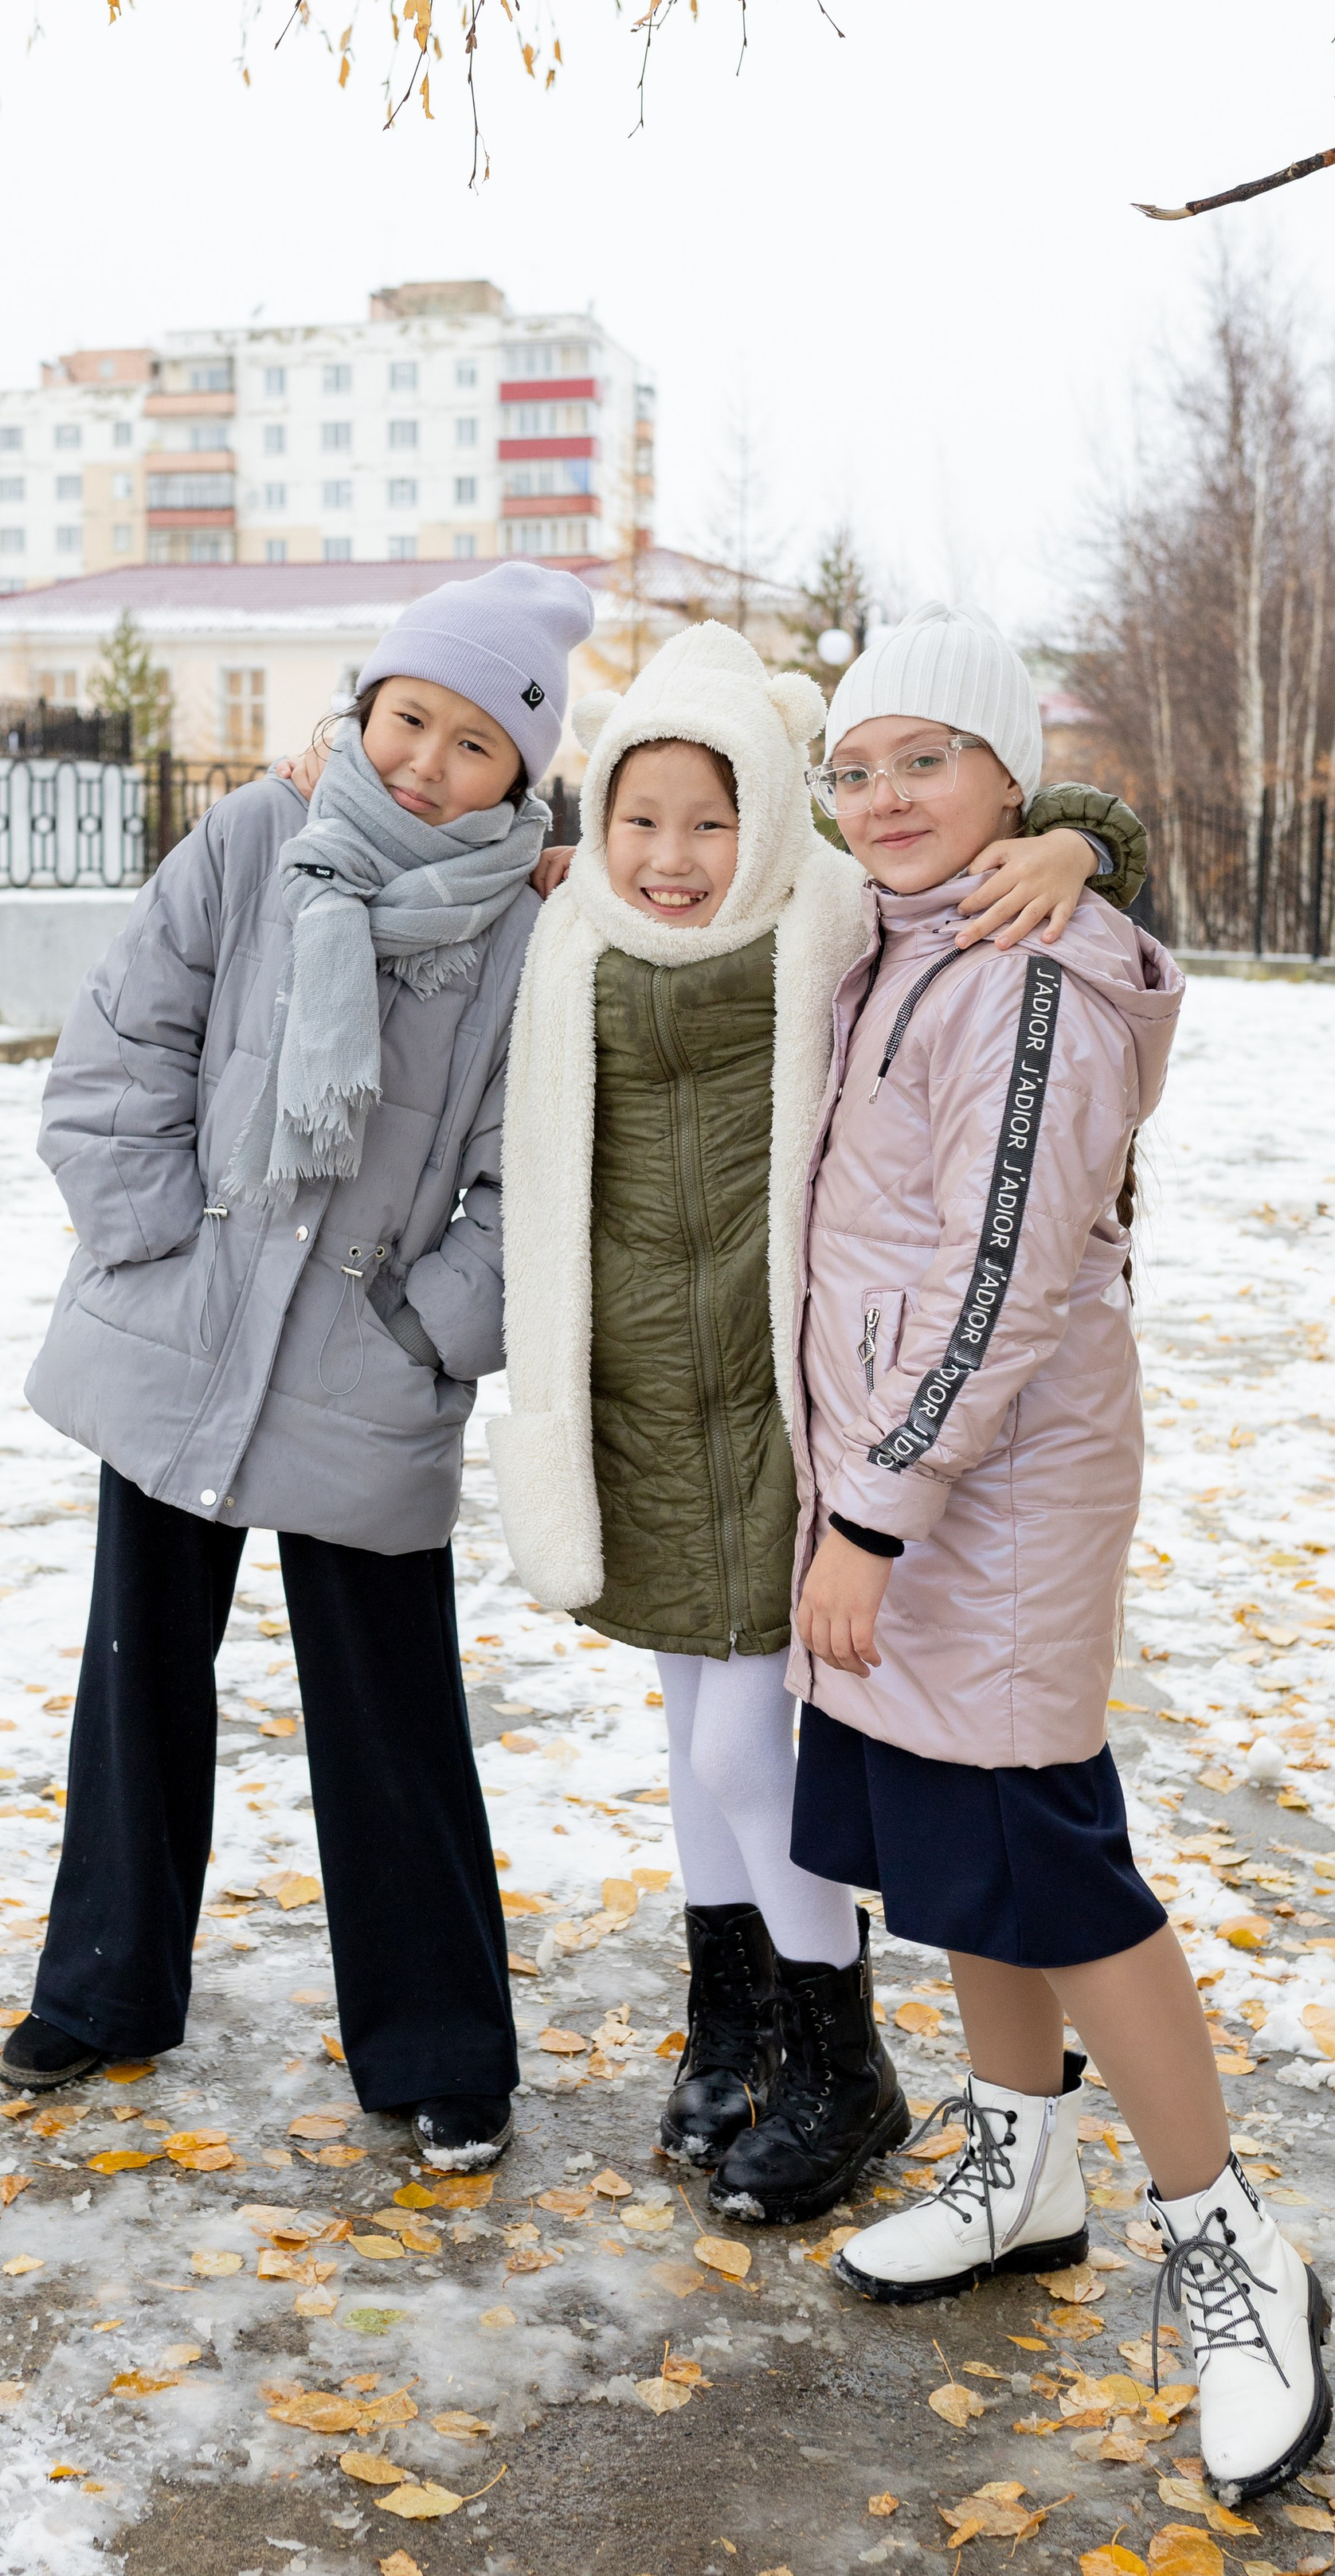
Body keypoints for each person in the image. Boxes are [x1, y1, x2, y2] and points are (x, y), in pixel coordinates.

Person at [490, 620, 1149, 2224]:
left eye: (710, 819)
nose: (670, 856)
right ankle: (732, 2023)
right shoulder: (571, 925)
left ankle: (837, 2050)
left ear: (773, 818)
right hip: (638, 1399)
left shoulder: (830, 909)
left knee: (743, 1741)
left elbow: (984, 836)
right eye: (639, 820)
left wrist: (1080, 836)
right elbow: (425, 837)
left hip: (788, 1401)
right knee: (685, 1738)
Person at [788, 601, 1329, 2504]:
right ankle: (1021, 2160)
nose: (879, 799)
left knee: (1051, 1859)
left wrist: (872, 1510)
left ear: (1003, 773)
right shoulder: (901, 936)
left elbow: (996, 1275)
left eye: (922, 758)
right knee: (946, 1833)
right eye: (851, 767)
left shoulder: (1026, 971)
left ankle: (1230, 2246)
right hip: (905, 1474)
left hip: (978, 1499)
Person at [0, 561, 596, 2175]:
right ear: (363, 705)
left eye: (473, 745)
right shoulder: (260, 838)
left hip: (363, 1367)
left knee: (389, 1714)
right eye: (407, 718)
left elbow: (526, 1177)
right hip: (183, 1330)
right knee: (136, 1675)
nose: (424, 763)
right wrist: (147, 1239)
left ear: (522, 772)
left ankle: (437, 2044)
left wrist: (428, 1331)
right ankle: (105, 1986)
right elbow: (123, 1038)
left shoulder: (531, 928)